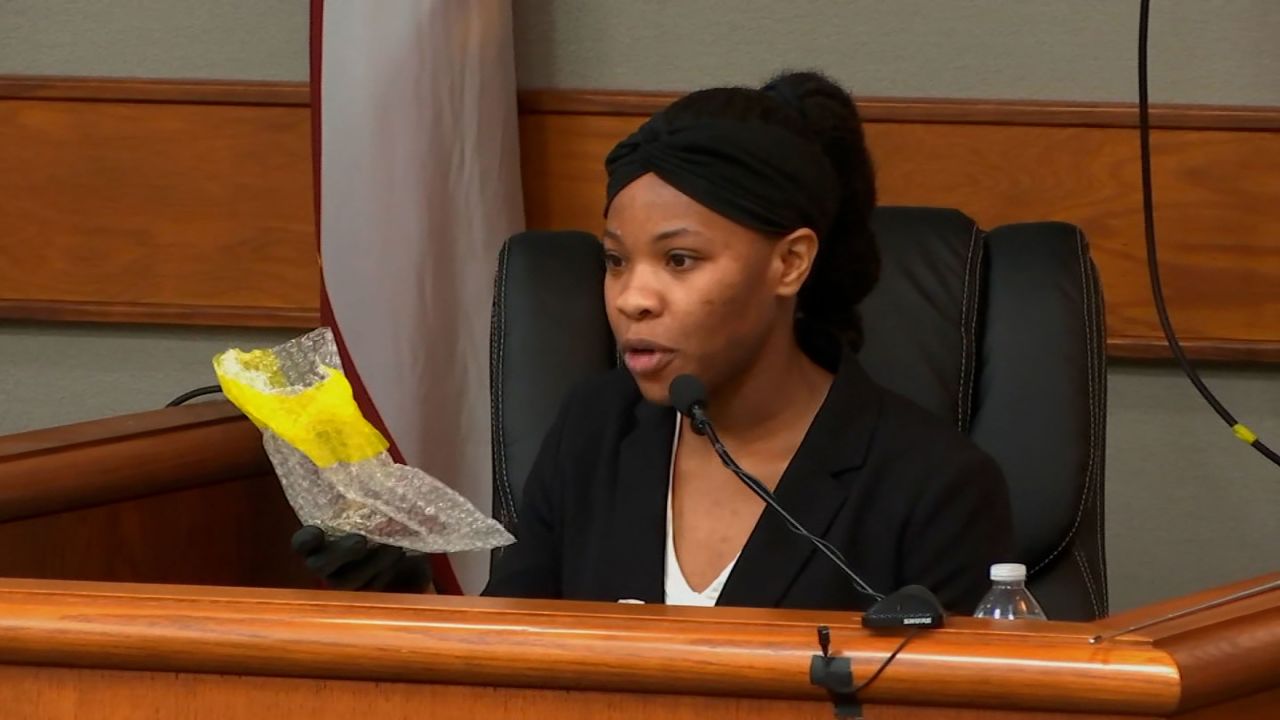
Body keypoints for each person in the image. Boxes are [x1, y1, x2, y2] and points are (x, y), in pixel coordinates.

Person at [293, 71, 1013, 613]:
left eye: (679, 260)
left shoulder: (932, 484)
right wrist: (409, 592)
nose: (632, 298)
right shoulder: (596, 430)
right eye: (615, 260)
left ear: (789, 263)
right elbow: (512, 670)